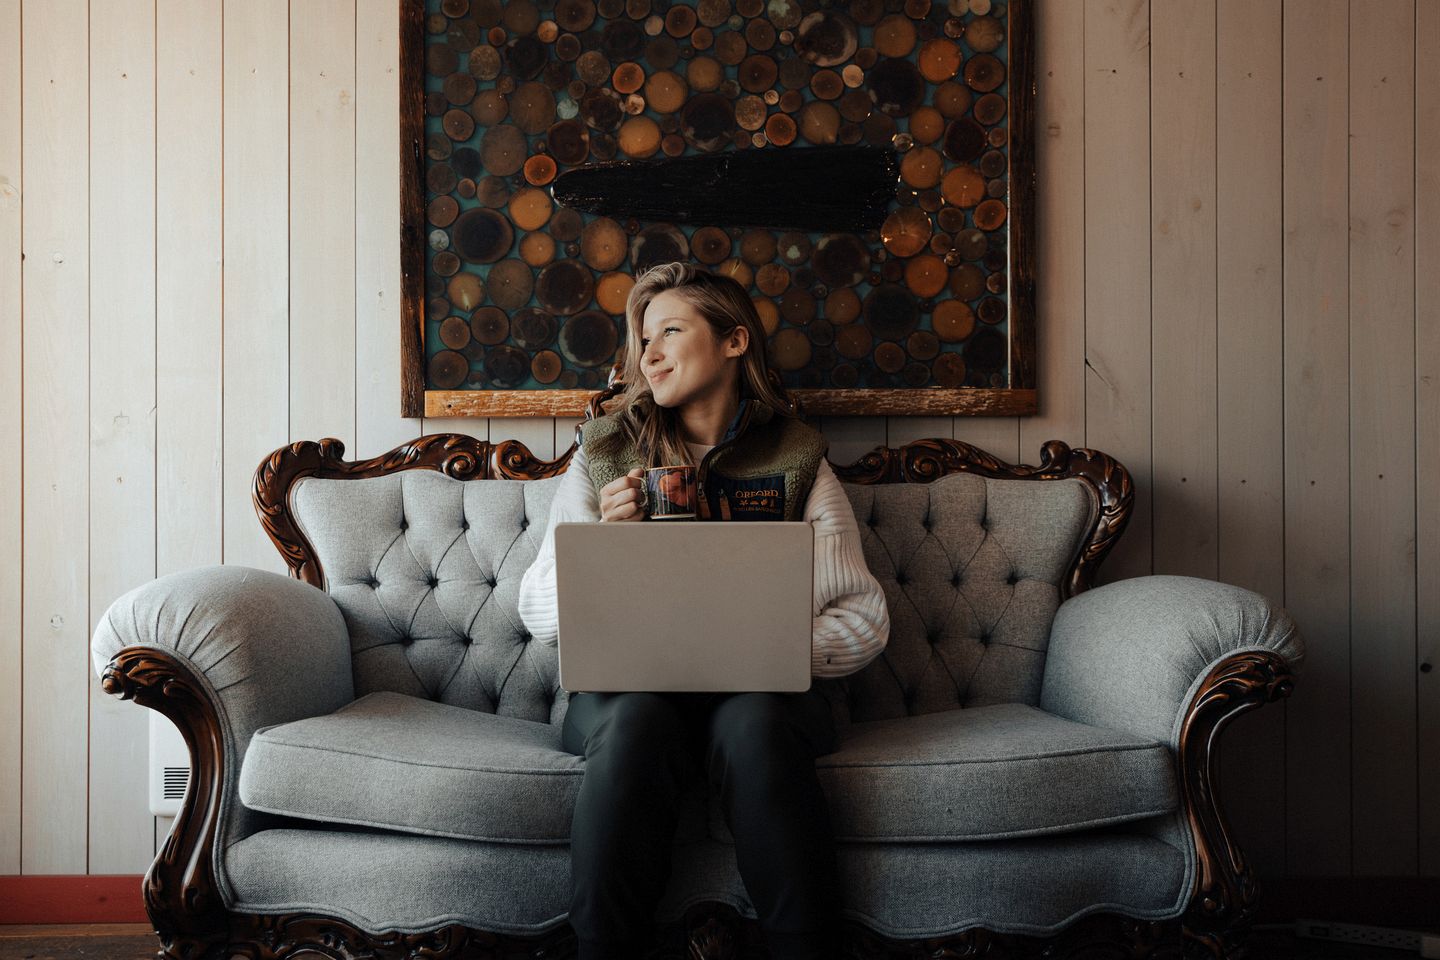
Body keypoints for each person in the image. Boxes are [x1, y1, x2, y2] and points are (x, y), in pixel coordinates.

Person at [517, 261, 890, 960]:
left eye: (669, 332)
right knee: (636, 723)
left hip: (762, 701)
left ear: (734, 341)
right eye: (642, 340)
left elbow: (863, 618)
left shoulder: (798, 457)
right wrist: (607, 547)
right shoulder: (604, 452)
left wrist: (759, 649)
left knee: (754, 726)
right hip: (625, 700)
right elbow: (537, 609)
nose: (648, 355)